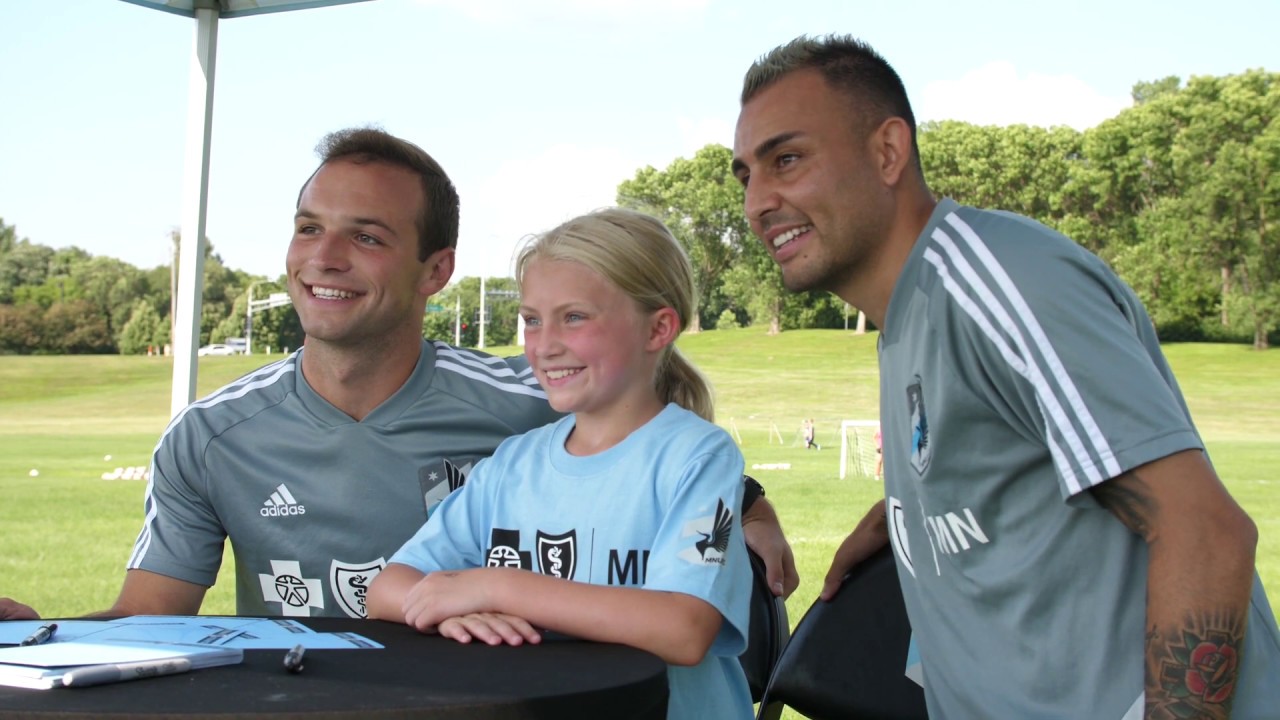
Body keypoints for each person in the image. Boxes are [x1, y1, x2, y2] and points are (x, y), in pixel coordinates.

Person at [0, 128, 796, 623]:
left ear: (436, 270)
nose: (324, 258)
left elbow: (651, 442)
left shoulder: (532, 403)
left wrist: (750, 510)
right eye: (308, 228)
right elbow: (150, 619)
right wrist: (38, 633)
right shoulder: (208, 436)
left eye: (367, 237)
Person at [731, 35, 1279, 719]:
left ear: (888, 151)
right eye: (745, 176)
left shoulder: (997, 280)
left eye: (786, 159)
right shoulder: (909, 316)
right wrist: (905, 515)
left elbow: (1204, 531)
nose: (757, 202)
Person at [367, 208, 753, 719]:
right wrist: (450, 613)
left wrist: (497, 586)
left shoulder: (697, 457)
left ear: (658, 328)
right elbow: (386, 588)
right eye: (532, 320)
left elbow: (683, 629)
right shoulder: (513, 464)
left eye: (574, 317)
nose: (544, 346)